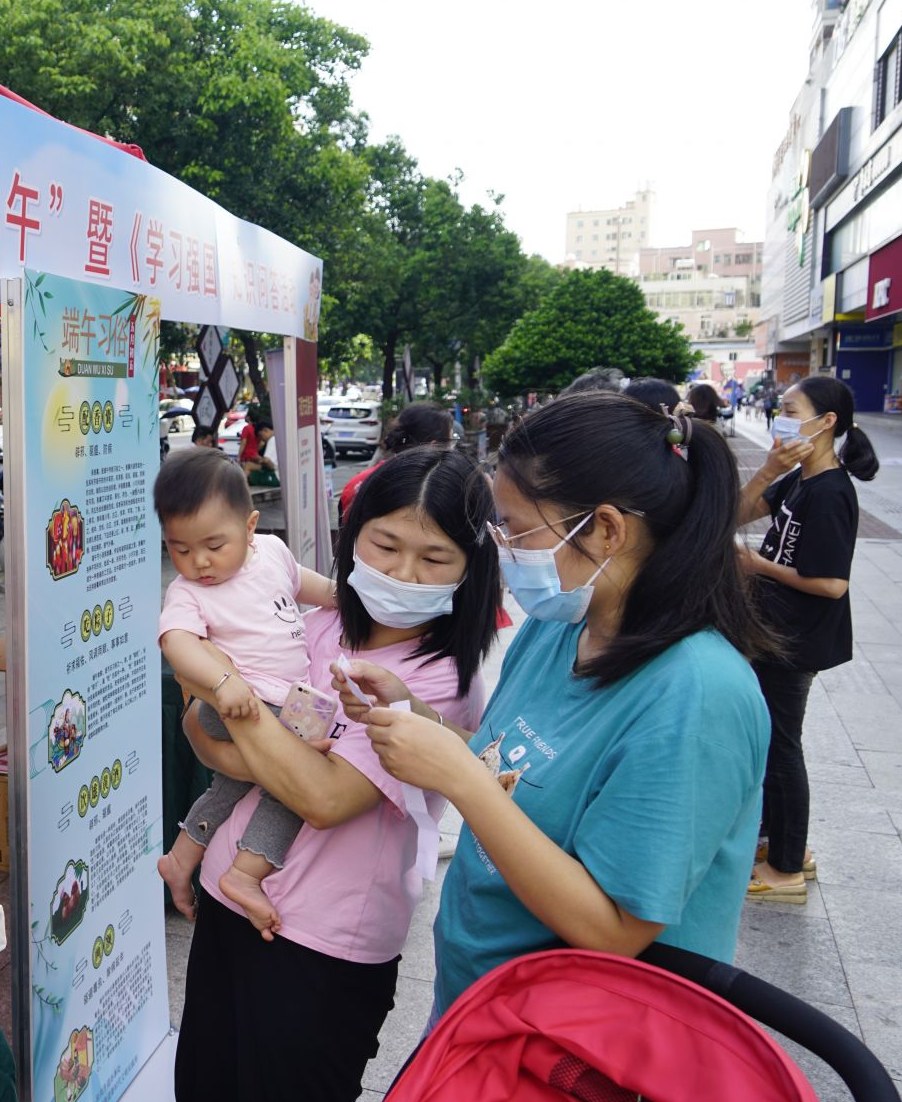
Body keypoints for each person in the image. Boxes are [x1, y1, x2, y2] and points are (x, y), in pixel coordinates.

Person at [337, 393, 771, 1028]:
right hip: (479, 1010)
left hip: (575, 1051)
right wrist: (417, 718)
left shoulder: (696, 694)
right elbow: (511, 765)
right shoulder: (561, 624)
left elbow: (615, 929)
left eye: (515, 527)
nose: (503, 547)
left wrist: (456, 778)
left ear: (604, 529)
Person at [173, 445, 501, 1102]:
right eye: (384, 545)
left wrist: (233, 700)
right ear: (353, 537)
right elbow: (199, 736)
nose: (402, 573)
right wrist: (233, 716)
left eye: (433, 557)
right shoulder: (310, 622)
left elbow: (321, 797)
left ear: (471, 566)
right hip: (231, 906)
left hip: (317, 941)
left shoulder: (437, 677)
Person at [154, 448, 339, 937]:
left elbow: (304, 585)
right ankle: (245, 873)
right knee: (297, 783)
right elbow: (176, 642)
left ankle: (181, 857)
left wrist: (343, 597)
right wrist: (222, 683)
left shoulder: (273, 553)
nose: (200, 562)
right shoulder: (188, 593)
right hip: (242, 702)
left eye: (214, 544)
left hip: (280, 699)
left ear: (251, 525)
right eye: (180, 548)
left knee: (229, 787)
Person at [738, 376, 880, 902]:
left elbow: (831, 583)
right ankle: (779, 845)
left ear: (825, 423)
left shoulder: (831, 492)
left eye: (790, 408)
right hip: (774, 631)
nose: (780, 415)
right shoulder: (798, 479)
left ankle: (787, 869)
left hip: (797, 639)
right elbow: (734, 514)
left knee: (781, 747)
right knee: (770, 741)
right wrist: (770, 471)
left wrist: (759, 564)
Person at [339, 401, 453, 520]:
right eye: (451, 440)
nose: (452, 449)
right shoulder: (440, 490)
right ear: (433, 446)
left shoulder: (360, 482)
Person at [237, 408, 275, 484]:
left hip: (247, 455)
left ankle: (241, 485)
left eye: (246, 416)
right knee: (251, 467)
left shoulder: (247, 428)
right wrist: (256, 451)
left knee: (246, 468)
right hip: (255, 454)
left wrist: (239, 455)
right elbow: (262, 443)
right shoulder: (257, 429)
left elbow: (243, 443)